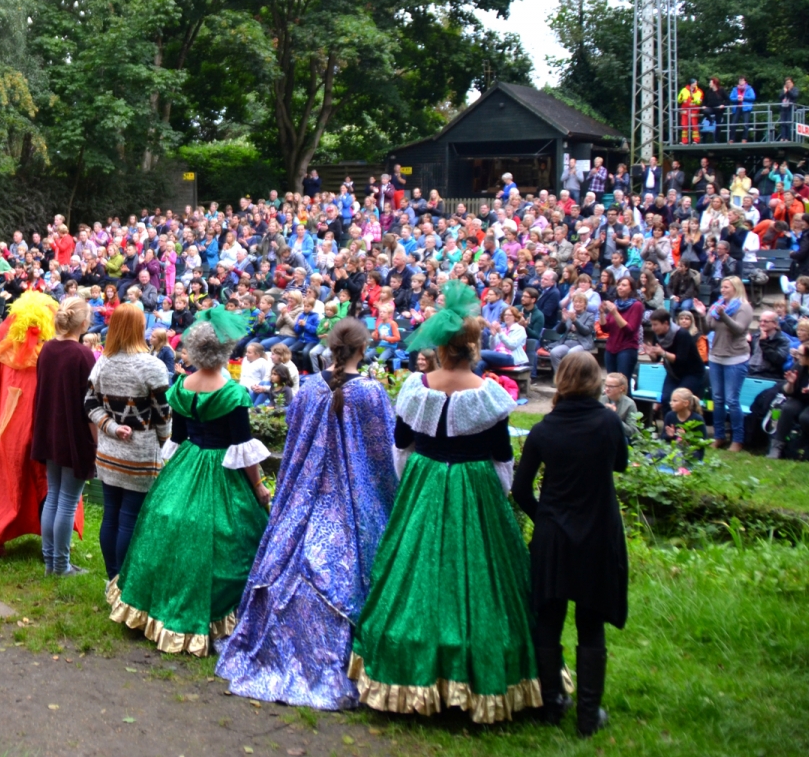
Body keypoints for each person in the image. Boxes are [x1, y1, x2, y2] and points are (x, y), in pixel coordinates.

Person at [349, 280, 540, 723]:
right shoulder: (488, 394)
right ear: (473, 346)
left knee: (414, 572)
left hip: (426, 480)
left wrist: (417, 481)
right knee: (477, 575)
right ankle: (476, 675)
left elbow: (402, 448)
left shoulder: (417, 389)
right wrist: (492, 499)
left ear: (439, 347)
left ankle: (410, 667)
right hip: (475, 487)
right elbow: (500, 460)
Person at [217, 318, 400, 709]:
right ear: (363, 350)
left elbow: (297, 444)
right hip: (350, 499)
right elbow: (383, 456)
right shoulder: (370, 393)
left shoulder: (312, 389)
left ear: (330, 346)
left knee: (287, 560)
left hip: (305, 493)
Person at [106, 322, 270, 656]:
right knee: (231, 536)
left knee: (168, 529)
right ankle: (215, 614)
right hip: (220, 470)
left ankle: (154, 607)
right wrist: (258, 486)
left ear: (193, 351)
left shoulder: (180, 385)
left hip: (185, 465)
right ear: (226, 351)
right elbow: (241, 448)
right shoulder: (233, 393)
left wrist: (174, 482)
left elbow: (177, 439)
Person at [513, 351, 629, 737]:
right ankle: (587, 715)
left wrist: (543, 517)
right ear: (597, 382)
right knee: (591, 621)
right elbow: (620, 465)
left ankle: (551, 705)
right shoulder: (609, 422)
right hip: (598, 531)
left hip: (554, 535)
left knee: (549, 618)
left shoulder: (544, 428)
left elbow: (520, 488)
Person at [85, 303, 172, 580]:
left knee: (111, 515)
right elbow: (162, 414)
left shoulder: (103, 362)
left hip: (108, 454)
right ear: (139, 328)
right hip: (140, 454)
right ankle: (123, 582)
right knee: (129, 518)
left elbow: (88, 404)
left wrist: (109, 427)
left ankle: (112, 577)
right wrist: (165, 442)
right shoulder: (152, 366)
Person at [0, 290, 59, 559]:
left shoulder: (3, 352)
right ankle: (52, 548)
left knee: (4, 486)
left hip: (7, 432)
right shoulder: (52, 354)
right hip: (43, 430)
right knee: (46, 483)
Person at [30, 297, 96, 575]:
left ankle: (51, 561)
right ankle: (60, 564)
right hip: (73, 433)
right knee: (67, 500)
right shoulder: (82, 354)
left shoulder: (47, 349)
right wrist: (96, 440)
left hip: (49, 430)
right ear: (83, 323)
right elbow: (91, 402)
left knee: (55, 495)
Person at [704, 276, 753, 450]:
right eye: (722, 287)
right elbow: (707, 328)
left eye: (726, 287)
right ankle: (719, 436)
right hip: (716, 356)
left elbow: (738, 329)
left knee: (732, 400)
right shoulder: (718, 306)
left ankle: (737, 439)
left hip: (735, 358)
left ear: (736, 288)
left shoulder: (744, 307)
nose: (723, 290)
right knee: (717, 399)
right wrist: (706, 312)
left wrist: (723, 315)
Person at [769, 342, 809, 463]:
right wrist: (791, 383)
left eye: (801, 355)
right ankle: (777, 446)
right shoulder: (800, 366)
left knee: (806, 418)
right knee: (787, 409)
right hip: (801, 400)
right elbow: (787, 392)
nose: (798, 357)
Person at [599, 275, 644, 381]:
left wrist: (615, 313)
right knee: (612, 382)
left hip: (627, 349)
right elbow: (605, 328)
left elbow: (630, 330)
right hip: (611, 348)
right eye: (619, 285)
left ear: (631, 288)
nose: (619, 287)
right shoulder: (616, 304)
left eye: (624, 285)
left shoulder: (637, 305)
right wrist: (601, 314)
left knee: (622, 384)